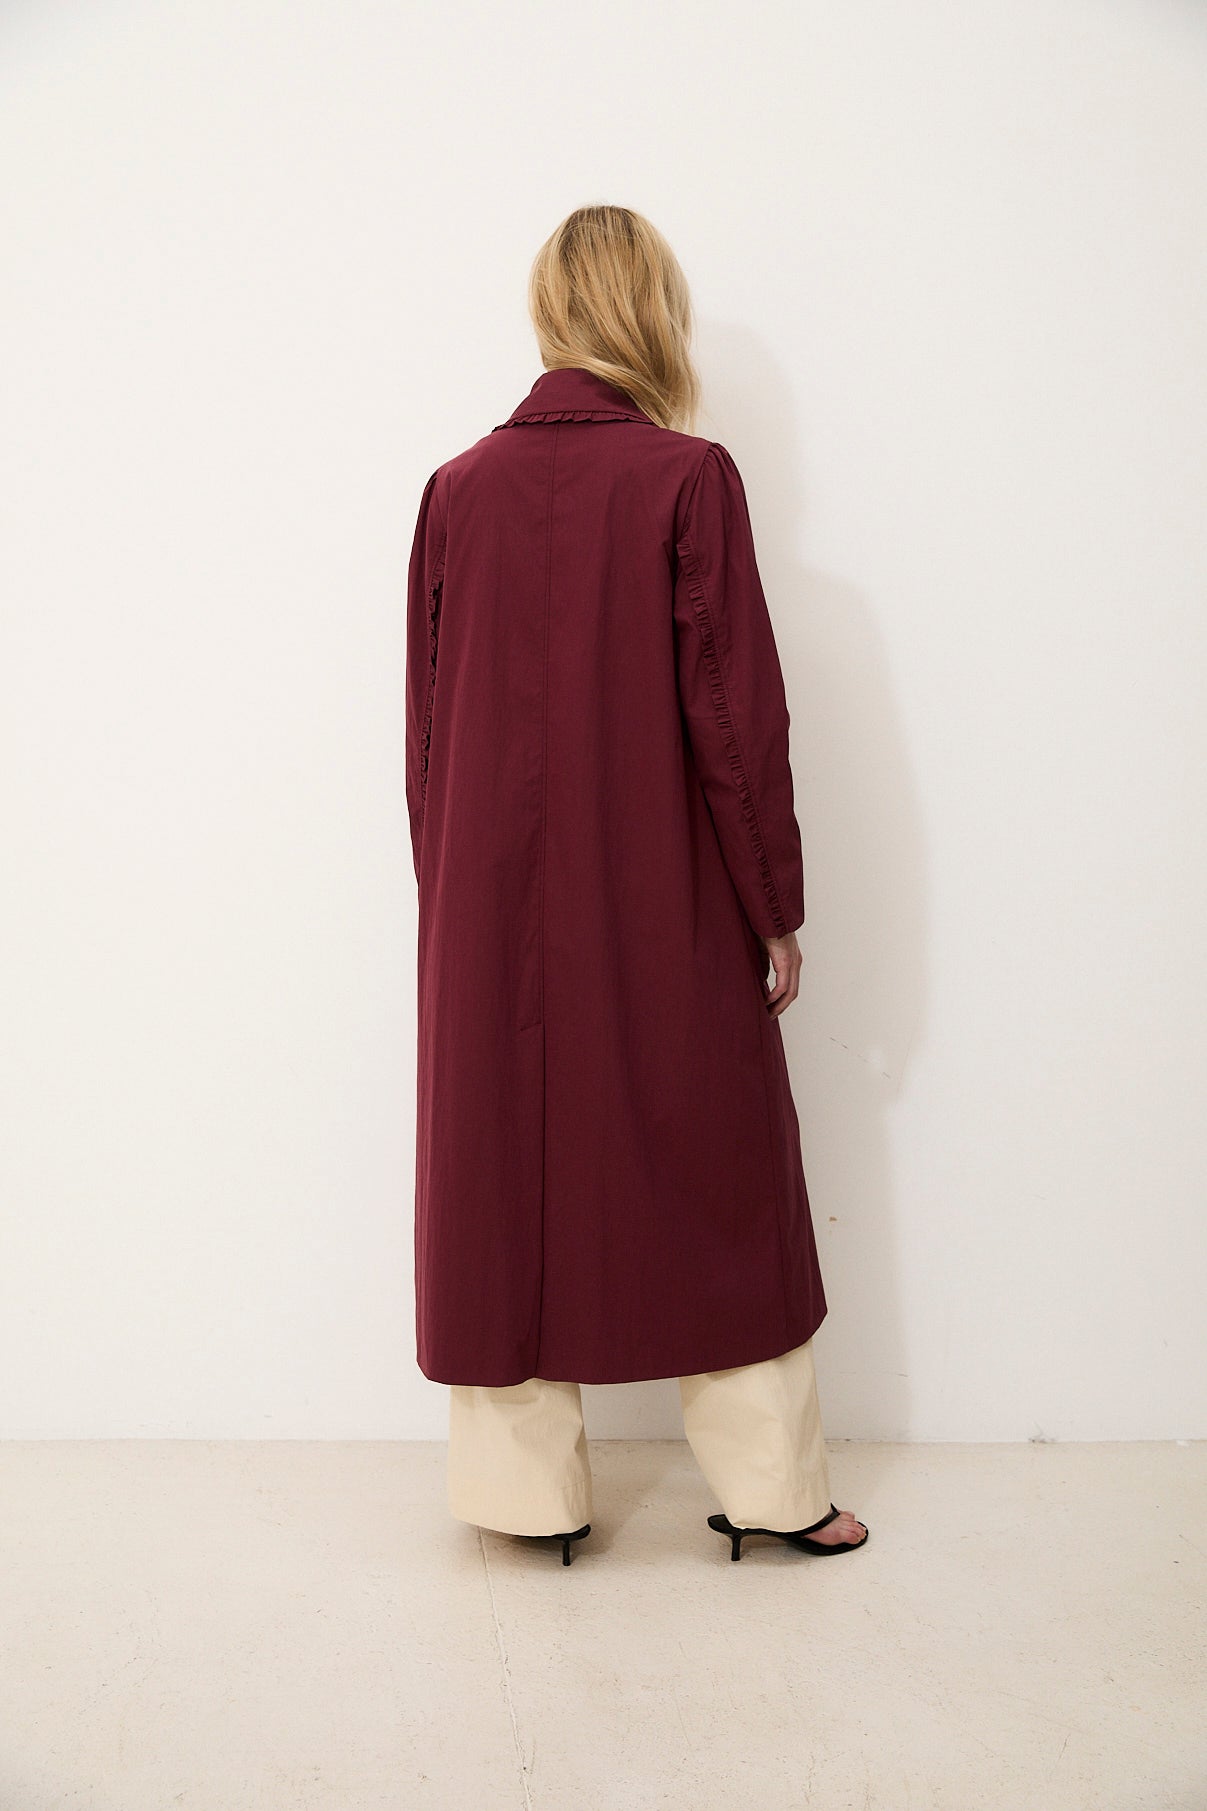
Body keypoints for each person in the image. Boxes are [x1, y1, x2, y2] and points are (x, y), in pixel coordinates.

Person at [405, 203, 868, 1565]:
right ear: (651, 311)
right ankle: (773, 1492)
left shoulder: (455, 490)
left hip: (488, 915)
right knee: (721, 1168)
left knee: (501, 1180)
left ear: (551, 309)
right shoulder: (687, 478)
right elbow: (735, 717)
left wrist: (453, 910)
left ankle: (525, 1503)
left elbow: (428, 737)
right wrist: (773, 905)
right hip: (663, 897)